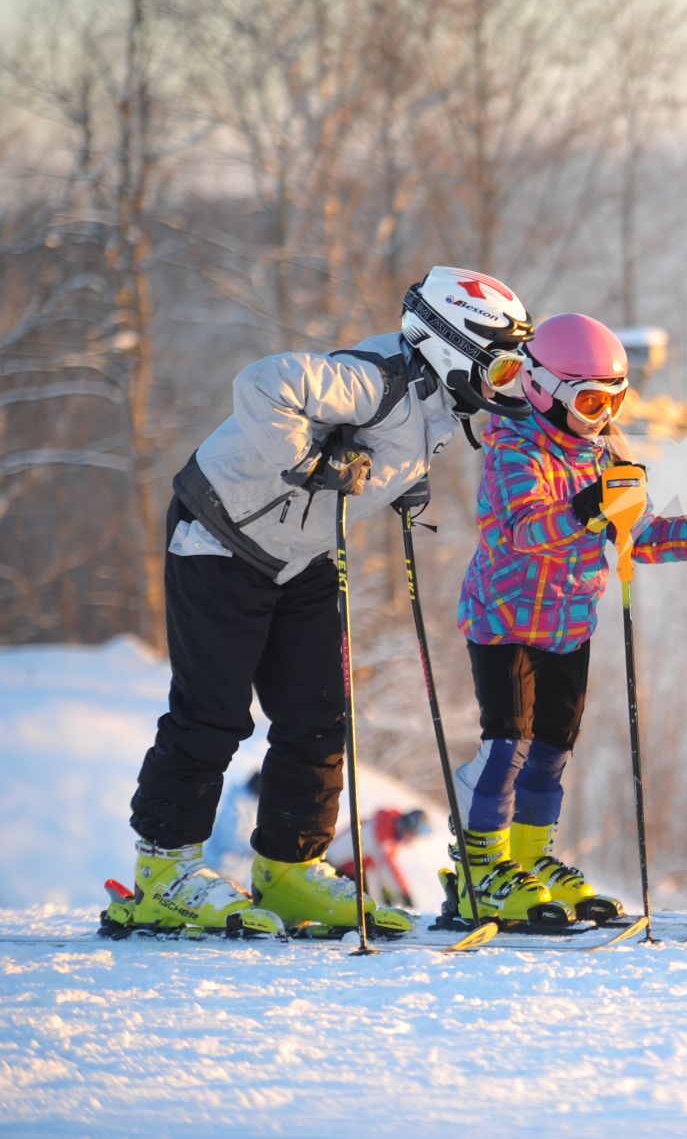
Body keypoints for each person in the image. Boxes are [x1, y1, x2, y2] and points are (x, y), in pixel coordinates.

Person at [116, 266, 537, 939]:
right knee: (214, 712)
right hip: (220, 535)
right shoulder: (377, 378)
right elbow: (262, 383)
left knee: (318, 713)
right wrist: (310, 460)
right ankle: (163, 871)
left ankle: (288, 867)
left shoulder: (438, 399)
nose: (509, 383)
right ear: (453, 347)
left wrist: (403, 484)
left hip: (301, 554)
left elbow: (383, 447)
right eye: (504, 367)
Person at [447, 312, 687, 926]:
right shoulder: (513, 447)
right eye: (588, 400)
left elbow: (636, 538)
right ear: (544, 389)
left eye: (614, 400)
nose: (601, 414)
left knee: (552, 750)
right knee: (508, 745)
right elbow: (521, 531)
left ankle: (528, 859)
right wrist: (584, 507)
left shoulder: (606, 450)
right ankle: (482, 869)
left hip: (569, 623)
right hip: (505, 620)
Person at [327, 807, 429, 908]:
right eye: (413, 834)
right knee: (360, 906)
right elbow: (386, 866)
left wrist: (385, 893)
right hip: (331, 866)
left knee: (366, 901)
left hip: (347, 869)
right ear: (406, 827)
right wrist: (404, 894)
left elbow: (375, 867)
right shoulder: (381, 831)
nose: (412, 839)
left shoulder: (387, 831)